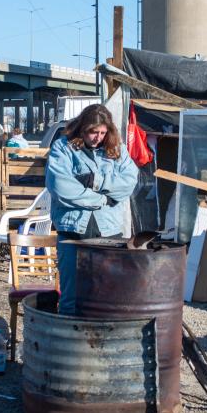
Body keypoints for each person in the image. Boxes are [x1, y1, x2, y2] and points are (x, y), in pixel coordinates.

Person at [45, 103, 138, 315]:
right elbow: (61, 187)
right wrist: (102, 200)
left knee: (109, 293)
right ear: (82, 128)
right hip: (72, 231)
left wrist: (96, 181)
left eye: (103, 132)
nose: (98, 137)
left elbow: (129, 183)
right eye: (93, 132)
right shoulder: (63, 148)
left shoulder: (117, 150)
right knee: (71, 297)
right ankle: (68, 342)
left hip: (109, 231)